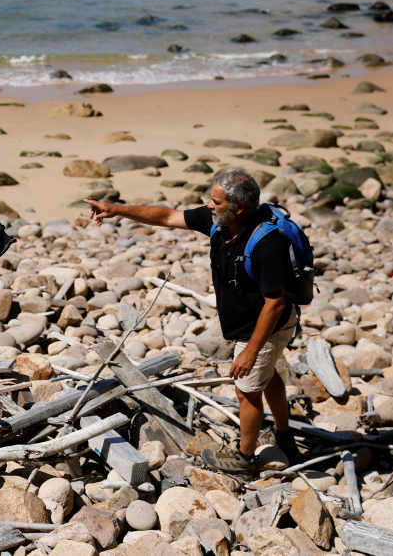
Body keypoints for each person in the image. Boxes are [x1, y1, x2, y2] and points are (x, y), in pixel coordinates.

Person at [85, 168, 299, 476]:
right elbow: (168, 217)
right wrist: (117, 209)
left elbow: (275, 303)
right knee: (267, 377)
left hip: (266, 326)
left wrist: (250, 351)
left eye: (216, 201)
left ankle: (245, 458)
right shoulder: (220, 223)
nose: (209, 206)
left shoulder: (265, 245)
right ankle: (285, 436)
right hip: (254, 322)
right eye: (210, 199)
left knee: (246, 391)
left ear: (238, 208)